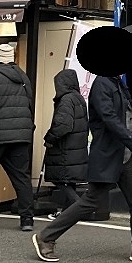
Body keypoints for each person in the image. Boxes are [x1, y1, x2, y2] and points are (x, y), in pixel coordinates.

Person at [33, 74, 132, 263]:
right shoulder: (102, 83)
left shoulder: (118, 83)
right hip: (109, 154)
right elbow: (108, 117)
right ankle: (46, 236)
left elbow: (123, 116)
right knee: (91, 201)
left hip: (127, 154)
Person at [0, 43, 35, 231]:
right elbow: (28, 104)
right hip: (20, 135)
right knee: (21, 178)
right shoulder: (23, 76)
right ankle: (27, 219)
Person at [43, 69, 89, 219]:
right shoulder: (79, 99)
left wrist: (49, 138)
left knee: (61, 180)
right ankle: (66, 213)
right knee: (69, 182)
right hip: (77, 148)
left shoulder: (66, 100)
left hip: (65, 148)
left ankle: (82, 209)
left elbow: (63, 125)